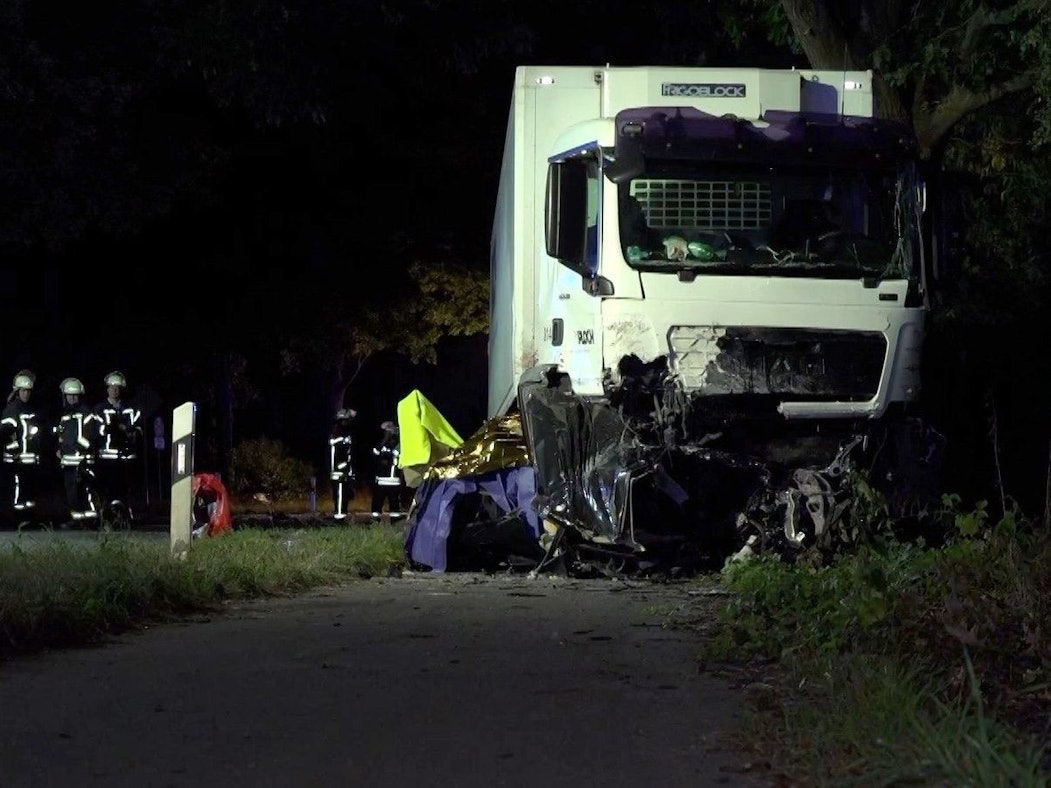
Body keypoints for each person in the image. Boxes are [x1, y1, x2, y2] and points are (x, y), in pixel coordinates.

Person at [92, 370, 142, 519]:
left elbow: (138, 430)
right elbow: (96, 432)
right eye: (112, 387)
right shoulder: (99, 409)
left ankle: (125, 516)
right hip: (107, 458)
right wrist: (112, 428)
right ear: (107, 389)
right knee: (107, 489)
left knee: (125, 490)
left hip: (126, 458)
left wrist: (129, 432)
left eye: (117, 387)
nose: (115, 390)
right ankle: (107, 517)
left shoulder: (130, 409)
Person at [54, 377, 102, 527]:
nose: (72, 398)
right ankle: (77, 520)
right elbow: (62, 437)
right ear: (65, 396)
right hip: (68, 462)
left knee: (86, 491)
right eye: (69, 395)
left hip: (83, 461)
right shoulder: (65, 416)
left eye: (75, 395)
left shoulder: (87, 413)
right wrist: (59, 449)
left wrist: (79, 450)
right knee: (72, 494)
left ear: (80, 395)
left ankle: (93, 520)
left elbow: (91, 436)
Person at [0, 370, 43, 520]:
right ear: (17, 392)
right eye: (23, 391)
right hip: (16, 461)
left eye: (28, 391)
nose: (26, 394)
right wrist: (15, 453)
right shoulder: (11, 410)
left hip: (29, 460)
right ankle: (17, 519)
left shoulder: (30, 410)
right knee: (18, 490)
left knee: (29, 491)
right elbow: (5, 435)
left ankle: (28, 518)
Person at [371, 420, 406, 523]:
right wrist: (384, 441)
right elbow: (375, 454)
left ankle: (395, 521)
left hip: (394, 481)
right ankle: (375, 520)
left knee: (394, 503)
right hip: (381, 481)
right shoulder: (381, 445)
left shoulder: (398, 445)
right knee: (377, 502)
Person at [328, 408, 357, 521]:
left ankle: (342, 515)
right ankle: (339, 518)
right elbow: (335, 445)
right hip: (338, 470)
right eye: (349, 419)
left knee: (344, 495)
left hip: (344, 469)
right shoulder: (337, 430)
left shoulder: (346, 431)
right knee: (340, 495)